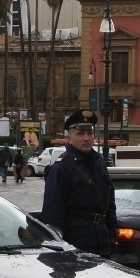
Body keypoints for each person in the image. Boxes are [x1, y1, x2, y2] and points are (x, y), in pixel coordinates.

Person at [41, 109, 117, 258]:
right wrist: (60, 249)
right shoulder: (61, 168)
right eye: (80, 134)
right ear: (69, 138)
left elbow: (110, 202)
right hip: (76, 243)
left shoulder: (99, 162)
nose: (86, 138)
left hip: (102, 240)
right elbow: (52, 214)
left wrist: (112, 233)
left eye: (89, 133)